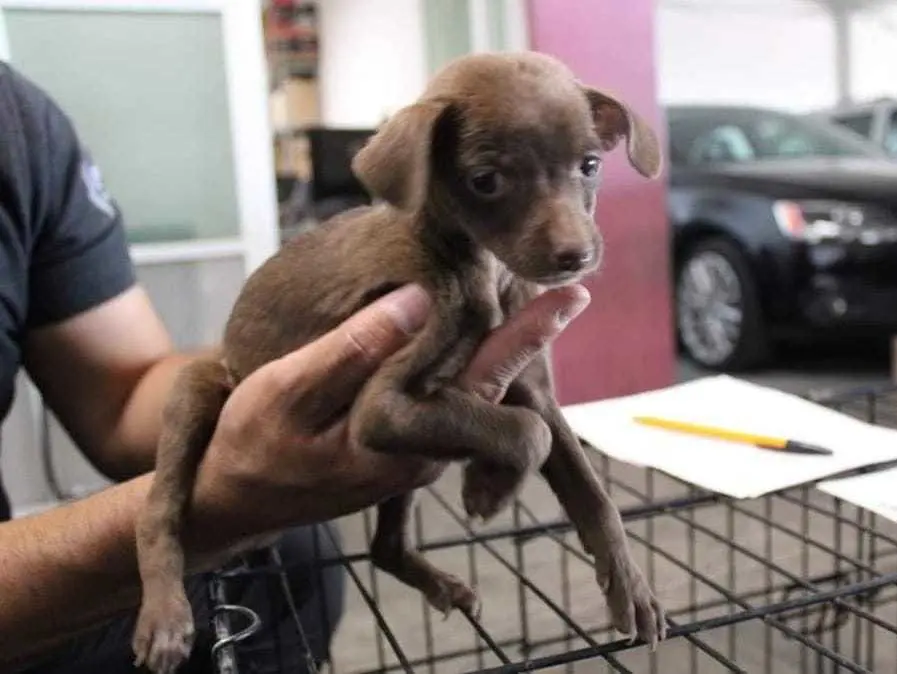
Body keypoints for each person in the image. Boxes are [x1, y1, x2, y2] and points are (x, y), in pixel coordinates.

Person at [0, 61, 590, 673]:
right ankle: (164, 559)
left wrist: (299, 374)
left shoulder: (20, 122)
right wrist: (219, 510)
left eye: (586, 168)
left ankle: (392, 549)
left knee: (301, 554)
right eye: (490, 179)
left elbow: (124, 396)